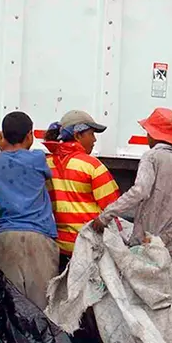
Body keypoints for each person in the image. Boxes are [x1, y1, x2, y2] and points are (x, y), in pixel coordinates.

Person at [94, 108, 172, 288]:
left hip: (144, 250)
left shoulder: (151, 157)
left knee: (142, 308)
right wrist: (164, 238)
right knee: (171, 309)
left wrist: (106, 215)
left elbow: (140, 191)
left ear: (153, 134)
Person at [0, 111, 58, 309]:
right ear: (30, 135)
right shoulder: (38, 159)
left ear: (2, 136)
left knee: (11, 308)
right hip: (40, 237)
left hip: (6, 238)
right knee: (42, 308)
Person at [44, 110, 120, 257]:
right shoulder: (92, 166)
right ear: (77, 135)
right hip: (87, 247)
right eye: (91, 134)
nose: (94, 140)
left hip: (58, 246)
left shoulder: (47, 164)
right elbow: (113, 207)